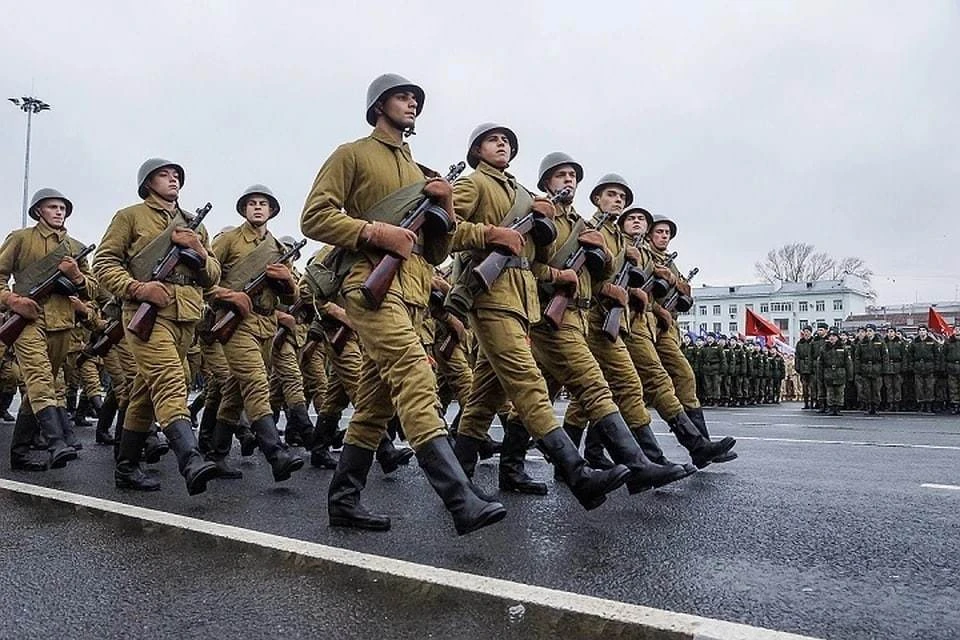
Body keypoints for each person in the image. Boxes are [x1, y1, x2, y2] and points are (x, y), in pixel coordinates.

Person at [301, 74, 505, 535]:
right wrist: (373, 232)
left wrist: (447, 209)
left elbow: (434, 253)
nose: (412, 102)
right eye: (402, 96)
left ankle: (343, 501)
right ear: (378, 105)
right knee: (417, 377)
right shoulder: (352, 153)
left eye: (416, 98)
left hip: (412, 295)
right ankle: (459, 499)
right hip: (368, 286)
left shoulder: (421, 173)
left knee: (374, 405)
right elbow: (314, 216)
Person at [450, 129, 634, 510]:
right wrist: (491, 233)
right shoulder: (475, 185)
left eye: (507, 141)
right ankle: (576, 471)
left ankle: (463, 478)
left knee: (485, 397)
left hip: (522, 303)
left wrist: (551, 234)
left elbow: (535, 260)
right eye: (493, 140)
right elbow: (446, 231)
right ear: (476, 150)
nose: (502, 144)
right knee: (529, 384)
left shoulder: (521, 195)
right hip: (492, 298)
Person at [94, 158, 219, 494]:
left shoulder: (195, 224)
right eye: (164, 174)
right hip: (144, 312)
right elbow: (104, 262)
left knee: (145, 392)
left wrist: (200, 252)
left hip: (186, 315)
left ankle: (127, 467)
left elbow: (213, 277)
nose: (173, 178)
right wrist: (136, 288)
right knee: (169, 379)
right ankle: (190, 458)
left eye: (176, 174)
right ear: (148, 182)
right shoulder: (130, 216)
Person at [208, 186, 305, 482]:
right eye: (252, 204)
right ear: (244, 210)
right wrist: (229, 294)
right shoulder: (228, 241)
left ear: (272, 211)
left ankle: (217, 454)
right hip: (235, 322)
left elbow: (292, 300)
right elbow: (205, 280)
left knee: (236, 394)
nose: (258, 208)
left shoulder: (278, 249)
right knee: (255, 383)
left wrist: (288, 282)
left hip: (266, 324)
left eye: (263, 204)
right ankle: (275, 453)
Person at [0, 188, 97, 471]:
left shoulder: (76, 248)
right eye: (51, 207)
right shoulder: (21, 239)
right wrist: (13, 300)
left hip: (63, 323)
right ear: (38, 211)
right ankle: (56, 443)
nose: (58, 211)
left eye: (62, 207)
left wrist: (77, 276)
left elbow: (92, 289)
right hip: (28, 322)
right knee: (42, 381)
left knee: (37, 389)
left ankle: (19, 453)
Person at [817, 328, 852, 416]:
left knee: (839, 391)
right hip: (828, 372)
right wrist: (820, 375)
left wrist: (849, 375)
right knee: (830, 391)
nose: (832, 338)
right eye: (830, 336)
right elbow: (820, 363)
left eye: (834, 336)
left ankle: (838, 408)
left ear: (837, 337)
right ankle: (831, 407)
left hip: (840, 372)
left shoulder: (843, 348)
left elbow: (848, 363)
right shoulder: (824, 348)